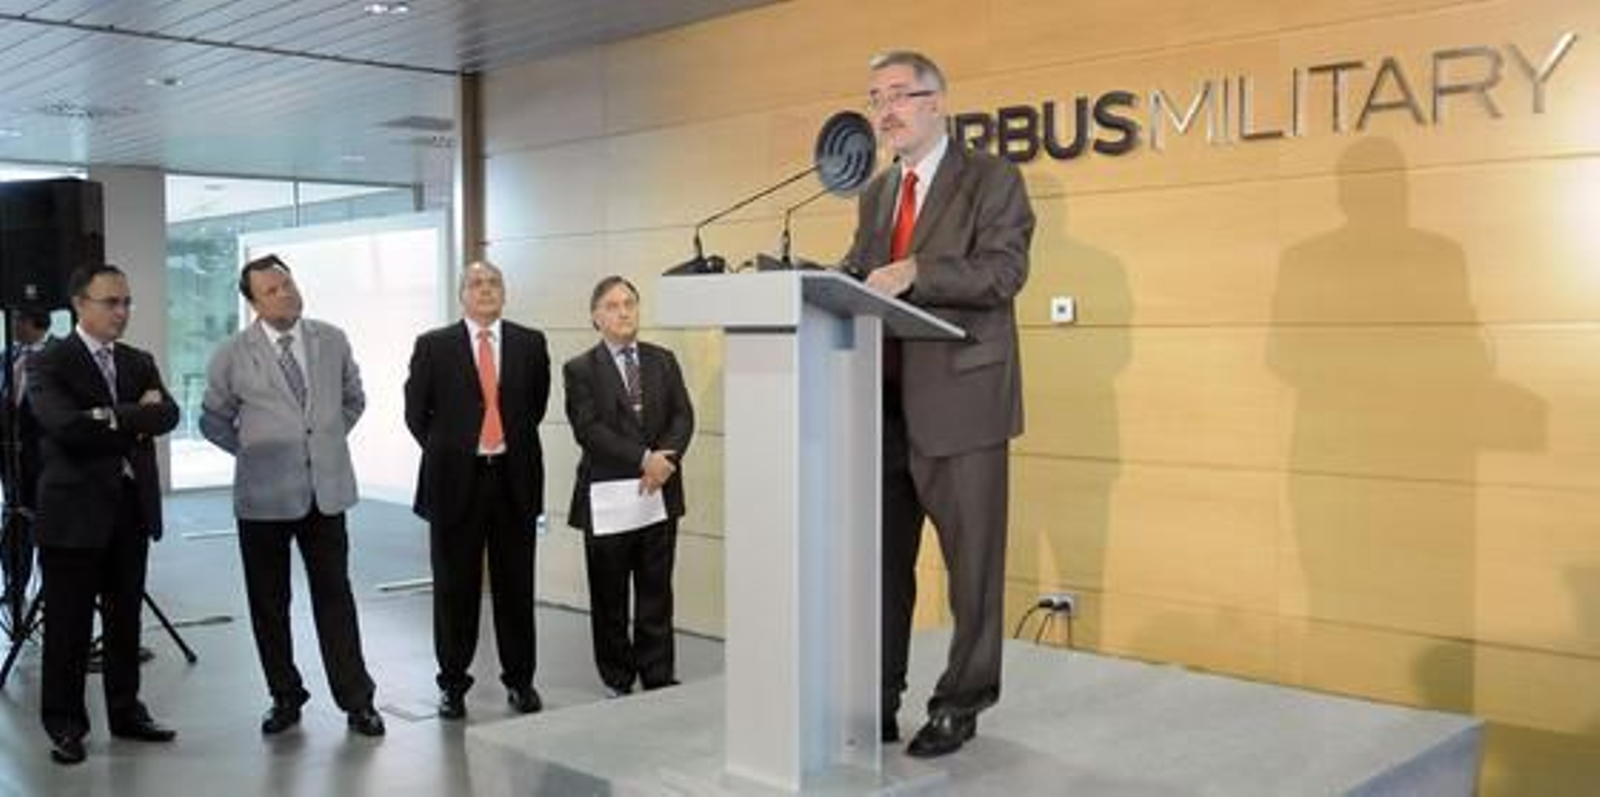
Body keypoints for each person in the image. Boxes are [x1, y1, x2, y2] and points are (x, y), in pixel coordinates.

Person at [839, 50, 1034, 758]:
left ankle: (961, 700)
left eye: (899, 94)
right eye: (875, 98)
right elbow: (863, 277)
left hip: (963, 402)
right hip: (881, 404)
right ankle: (877, 699)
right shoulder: (877, 195)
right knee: (880, 568)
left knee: (972, 567)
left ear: (937, 101)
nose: (885, 110)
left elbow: (1004, 271)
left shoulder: (992, 178)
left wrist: (921, 270)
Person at [199, 254, 385, 738]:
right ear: (254, 302)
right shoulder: (232, 353)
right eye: (272, 290)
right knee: (269, 603)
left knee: (335, 598)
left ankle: (357, 699)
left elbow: (353, 398)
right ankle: (284, 695)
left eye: (288, 284)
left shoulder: (331, 339)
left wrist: (320, 442)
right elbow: (213, 418)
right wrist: (253, 450)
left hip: (325, 492)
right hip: (263, 497)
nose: (285, 294)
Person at [27, 265, 180, 764]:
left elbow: (170, 414)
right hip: (73, 515)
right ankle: (66, 724)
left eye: (126, 302)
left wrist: (111, 415)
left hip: (130, 511)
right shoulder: (50, 362)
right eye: (110, 301)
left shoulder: (138, 360)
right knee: (68, 628)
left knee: (124, 622)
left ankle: (126, 711)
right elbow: (64, 427)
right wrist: (134, 417)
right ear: (79, 303)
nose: (121, 312)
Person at [404, 260, 550, 720]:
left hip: (513, 480)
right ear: (461, 294)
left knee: (516, 587)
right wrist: (451, 450)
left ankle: (520, 682)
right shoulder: (434, 346)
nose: (486, 289)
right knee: (454, 589)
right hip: (454, 483)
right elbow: (416, 413)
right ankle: (452, 685)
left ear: (503, 292)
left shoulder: (530, 343)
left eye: (493, 283)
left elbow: (536, 406)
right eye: (476, 283)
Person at [563, 276, 694, 697]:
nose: (623, 312)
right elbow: (589, 430)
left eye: (630, 303)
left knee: (656, 590)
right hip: (608, 499)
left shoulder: (663, 360)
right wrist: (643, 459)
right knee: (610, 596)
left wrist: (665, 460)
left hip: (658, 492)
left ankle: (657, 673)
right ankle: (618, 677)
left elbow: (683, 416)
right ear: (595, 316)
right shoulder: (580, 369)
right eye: (613, 305)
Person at [1, 309, 51, 613]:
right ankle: (15, 585)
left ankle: (51, 588)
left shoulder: (60, 355)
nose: (12, 324)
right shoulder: (8, 355)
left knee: (46, 523)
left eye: (18, 318)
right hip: (11, 457)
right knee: (14, 522)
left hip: (46, 459)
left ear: (35, 322)